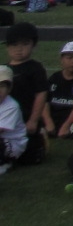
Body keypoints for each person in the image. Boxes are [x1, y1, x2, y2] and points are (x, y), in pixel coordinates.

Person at [5, 22, 49, 165]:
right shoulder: (5, 70)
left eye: (24, 44)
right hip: (7, 118)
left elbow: (41, 94)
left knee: (28, 155)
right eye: (14, 45)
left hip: (27, 118)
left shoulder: (35, 68)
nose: (19, 49)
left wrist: (34, 120)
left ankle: (41, 143)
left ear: (33, 44)